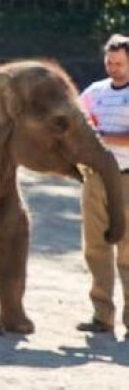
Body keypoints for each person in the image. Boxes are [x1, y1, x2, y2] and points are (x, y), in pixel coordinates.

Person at [77, 33, 129, 336]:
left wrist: (104, 138)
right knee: (95, 247)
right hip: (95, 180)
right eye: (109, 62)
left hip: (126, 178)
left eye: (120, 63)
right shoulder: (94, 92)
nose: (114, 68)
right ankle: (102, 315)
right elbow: (77, 118)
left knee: (127, 251)